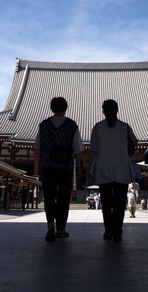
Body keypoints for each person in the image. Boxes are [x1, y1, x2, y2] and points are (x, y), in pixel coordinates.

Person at [88, 99, 138, 243]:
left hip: (103, 168)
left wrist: (89, 170)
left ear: (103, 112)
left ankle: (108, 230)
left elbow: (93, 151)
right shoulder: (125, 127)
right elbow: (135, 143)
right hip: (121, 168)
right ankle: (118, 232)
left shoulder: (98, 128)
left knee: (106, 202)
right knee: (119, 202)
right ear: (117, 110)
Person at [35, 96, 84, 242]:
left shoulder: (43, 125)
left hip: (48, 167)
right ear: (66, 108)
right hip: (65, 168)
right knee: (63, 198)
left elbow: (37, 147)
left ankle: (50, 223)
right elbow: (77, 150)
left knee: (49, 197)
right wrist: (80, 168)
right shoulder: (71, 125)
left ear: (51, 108)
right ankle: (61, 228)